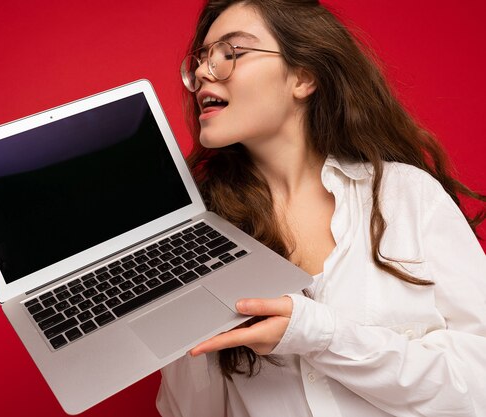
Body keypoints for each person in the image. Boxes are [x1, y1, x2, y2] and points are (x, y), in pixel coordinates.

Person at [155, 0, 486, 416]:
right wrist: (171, 305)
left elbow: (479, 388)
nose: (204, 71)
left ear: (303, 77)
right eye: (202, 58)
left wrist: (319, 334)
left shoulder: (408, 197)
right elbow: (192, 412)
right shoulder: (202, 237)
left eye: (231, 53)